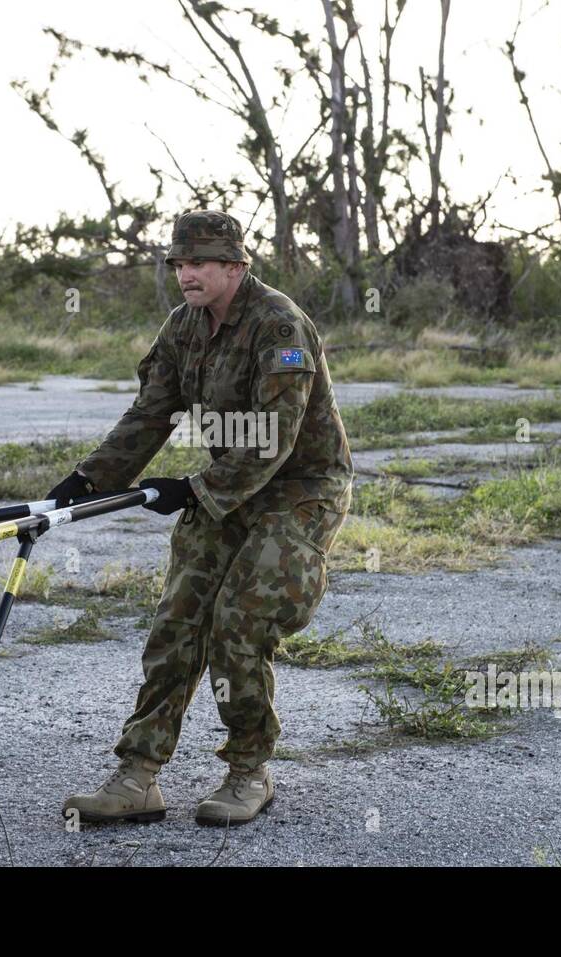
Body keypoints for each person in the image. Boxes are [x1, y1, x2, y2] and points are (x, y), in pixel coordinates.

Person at [47, 209, 353, 826]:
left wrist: (192, 489)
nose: (187, 274)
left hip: (299, 489)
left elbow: (274, 437)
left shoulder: (279, 323)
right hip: (226, 490)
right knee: (177, 621)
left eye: (200, 263)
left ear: (235, 266)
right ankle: (138, 776)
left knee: (239, 621)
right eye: (180, 264)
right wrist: (87, 480)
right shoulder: (182, 327)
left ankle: (248, 773)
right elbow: (150, 415)